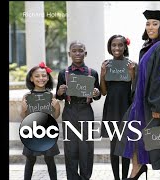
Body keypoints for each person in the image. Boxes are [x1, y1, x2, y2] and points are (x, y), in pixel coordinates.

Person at [114, 10, 160, 180]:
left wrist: (159, 106)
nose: (150, 27)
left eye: (154, 24)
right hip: (144, 103)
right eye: (148, 24)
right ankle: (137, 169)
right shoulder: (151, 46)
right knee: (132, 134)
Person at [55, 41, 101, 180]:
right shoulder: (63, 73)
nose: (77, 53)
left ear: (85, 53)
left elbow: (97, 95)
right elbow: (59, 96)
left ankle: (85, 177)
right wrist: (59, 91)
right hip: (69, 110)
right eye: (74, 51)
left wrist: (96, 92)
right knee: (70, 147)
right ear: (69, 54)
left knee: (86, 146)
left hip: (86, 110)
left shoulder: (92, 73)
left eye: (80, 50)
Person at [100, 35, 137, 180]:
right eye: (113, 45)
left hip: (126, 107)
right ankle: (116, 177)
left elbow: (135, 90)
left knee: (126, 145)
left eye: (120, 45)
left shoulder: (131, 65)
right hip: (111, 108)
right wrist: (102, 75)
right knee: (114, 145)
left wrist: (132, 74)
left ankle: (125, 177)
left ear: (125, 47)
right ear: (110, 47)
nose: (117, 48)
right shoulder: (106, 65)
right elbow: (103, 92)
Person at [20, 62, 60, 180]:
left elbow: (55, 117)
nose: (41, 78)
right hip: (32, 131)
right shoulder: (27, 96)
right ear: (31, 79)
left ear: (47, 78)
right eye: (37, 76)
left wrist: (57, 108)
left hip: (48, 131)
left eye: (43, 76)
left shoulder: (50, 96)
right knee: (30, 159)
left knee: (49, 159)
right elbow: (24, 117)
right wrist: (23, 109)